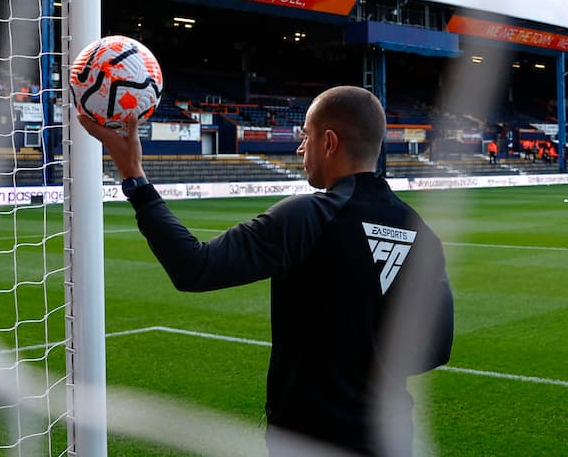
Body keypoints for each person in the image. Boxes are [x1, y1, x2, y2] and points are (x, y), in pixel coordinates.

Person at [79, 85, 454, 457]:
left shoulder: (307, 217)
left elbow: (194, 267)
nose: (300, 149)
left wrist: (134, 177)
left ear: (329, 142)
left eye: (305, 136)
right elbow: (435, 348)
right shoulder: (423, 233)